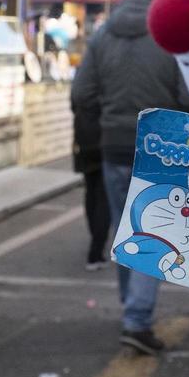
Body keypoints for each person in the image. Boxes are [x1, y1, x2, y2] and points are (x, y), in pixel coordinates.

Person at [73, 0, 189, 355]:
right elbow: (185, 95)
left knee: (127, 231)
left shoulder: (102, 34)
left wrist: (105, 121)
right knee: (153, 232)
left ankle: (131, 310)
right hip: (159, 146)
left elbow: (81, 95)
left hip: (112, 145)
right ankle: (136, 320)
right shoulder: (166, 36)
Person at [72, 81, 109, 271]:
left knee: (91, 192)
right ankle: (95, 252)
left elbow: (73, 101)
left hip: (84, 140)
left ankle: (96, 236)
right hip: (107, 139)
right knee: (103, 198)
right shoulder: (111, 69)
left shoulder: (83, 74)